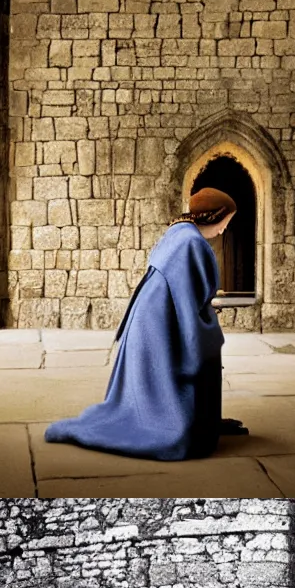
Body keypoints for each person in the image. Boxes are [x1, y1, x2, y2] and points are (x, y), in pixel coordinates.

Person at [45, 188, 247, 461]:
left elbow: (183, 290)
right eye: (226, 223)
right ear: (215, 216)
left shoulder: (178, 231)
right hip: (160, 324)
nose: (224, 231)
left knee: (203, 348)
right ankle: (186, 427)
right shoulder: (192, 243)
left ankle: (202, 422)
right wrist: (207, 326)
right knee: (205, 351)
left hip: (149, 320)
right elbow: (190, 305)